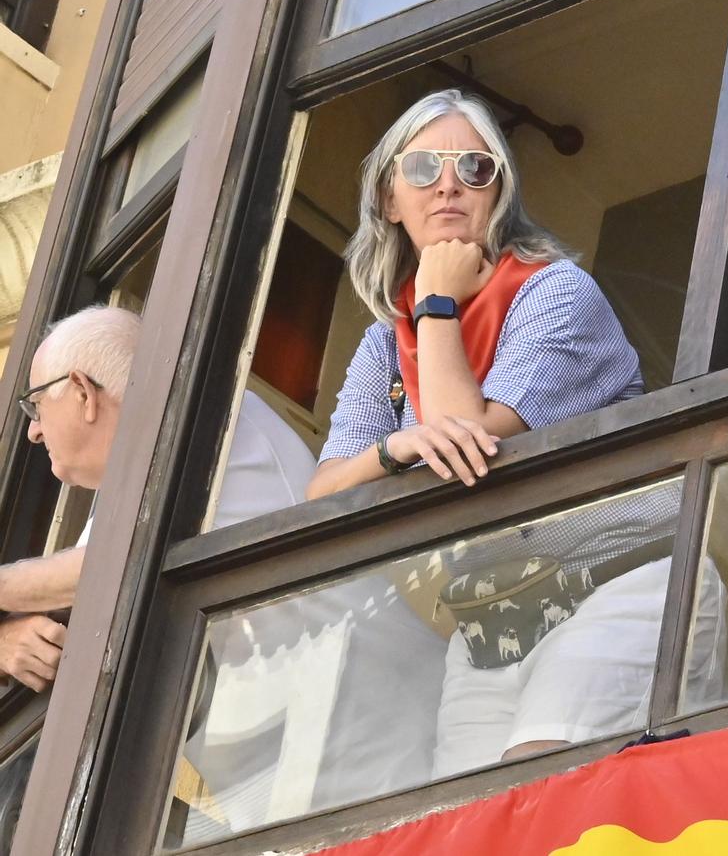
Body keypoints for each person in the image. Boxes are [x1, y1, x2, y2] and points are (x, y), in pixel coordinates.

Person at [312, 89, 718, 775]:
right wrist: (392, 449)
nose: (448, 184)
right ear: (388, 197)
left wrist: (439, 301)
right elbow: (323, 494)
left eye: (474, 169)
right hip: (491, 626)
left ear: (497, 194)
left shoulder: (555, 292)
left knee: (540, 788)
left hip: (620, 579)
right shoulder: (386, 345)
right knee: (471, 825)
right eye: (422, 169)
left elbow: (469, 447)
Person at [0, 306, 445, 839]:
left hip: (365, 753)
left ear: (81, 391)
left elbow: (101, 575)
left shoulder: (194, 419)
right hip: (284, 776)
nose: (33, 430)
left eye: (35, 404)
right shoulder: (134, 473)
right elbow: (71, 608)